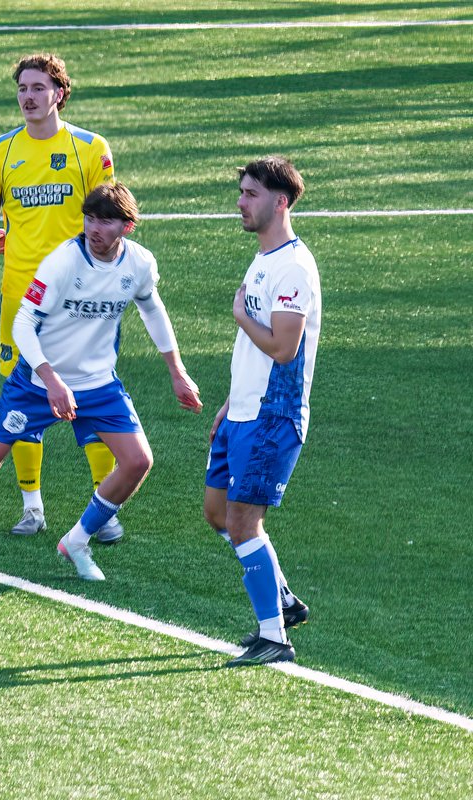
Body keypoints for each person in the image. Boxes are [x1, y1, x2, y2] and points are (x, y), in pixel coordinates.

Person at [0, 184, 202, 580]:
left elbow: (153, 310)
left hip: (98, 384)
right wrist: (51, 378)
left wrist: (177, 371)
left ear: (127, 227)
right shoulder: (62, 262)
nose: (94, 228)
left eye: (105, 220)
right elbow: (23, 323)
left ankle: (76, 540)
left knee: (138, 461)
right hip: (36, 384)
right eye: (89, 218)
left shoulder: (140, 265)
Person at [0, 53, 121, 538]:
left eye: (38, 87)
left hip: (81, 299)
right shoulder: (0, 151)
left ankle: (107, 509)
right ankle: (32, 507)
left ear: (59, 92)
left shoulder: (89, 148)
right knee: (21, 397)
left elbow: (112, 218)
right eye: (22, 88)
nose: (28, 96)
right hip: (20, 297)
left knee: (92, 394)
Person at [205, 156, 320, 666]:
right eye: (242, 192)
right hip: (244, 411)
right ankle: (284, 599)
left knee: (244, 521)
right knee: (218, 513)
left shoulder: (293, 267)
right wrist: (231, 401)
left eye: (250, 193)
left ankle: (274, 638)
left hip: (274, 415)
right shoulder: (263, 259)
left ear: (280, 201)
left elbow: (283, 348)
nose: (241, 202)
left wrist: (236, 315)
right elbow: (255, 350)